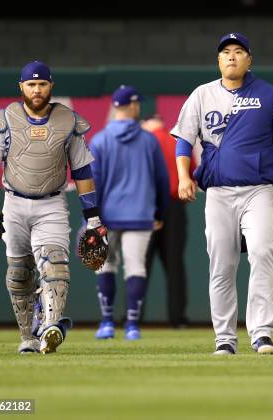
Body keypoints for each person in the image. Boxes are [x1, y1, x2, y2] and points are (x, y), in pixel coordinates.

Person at [171, 32, 273, 355]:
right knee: (222, 263)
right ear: (218, 61)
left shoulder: (270, 95)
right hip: (218, 193)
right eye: (226, 52)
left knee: (263, 253)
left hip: (258, 191)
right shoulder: (202, 95)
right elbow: (183, 139)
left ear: (250, 59)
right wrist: (183, 176)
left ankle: (261, 333)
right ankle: (224, 337)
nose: (232, 56)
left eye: (238, 51)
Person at [0, 60, 105, 354]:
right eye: (31, 84)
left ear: (51, 86)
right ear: (21, 86)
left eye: (42, 84)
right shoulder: (5, 119)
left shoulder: (68, 121)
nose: (37, 89)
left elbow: (83, 172)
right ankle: (28, 337)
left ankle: (50, 327)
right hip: (14, 203)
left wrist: (93, 217)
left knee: (55, 263)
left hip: (52, 204)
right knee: (19, 272)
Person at [89, 86, 170, 340]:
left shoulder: (100, 140)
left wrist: (91, 218)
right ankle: (132, 325)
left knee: (105, 267)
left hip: (107, 216)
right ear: (133, 106)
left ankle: (107, 323)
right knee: (135, 267)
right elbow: (161, 180)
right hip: (140, 214)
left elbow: (94, 183)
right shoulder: (149, 140)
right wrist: (160, 211)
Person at [141, 114, 193, 328]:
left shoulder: (142, 140)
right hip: (174, 206)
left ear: (146, 123)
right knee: (175, 266)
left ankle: (132, 318)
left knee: (139, 266)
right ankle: (178, 318)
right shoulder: (176, 141)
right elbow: (191, 172)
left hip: (145, 208)